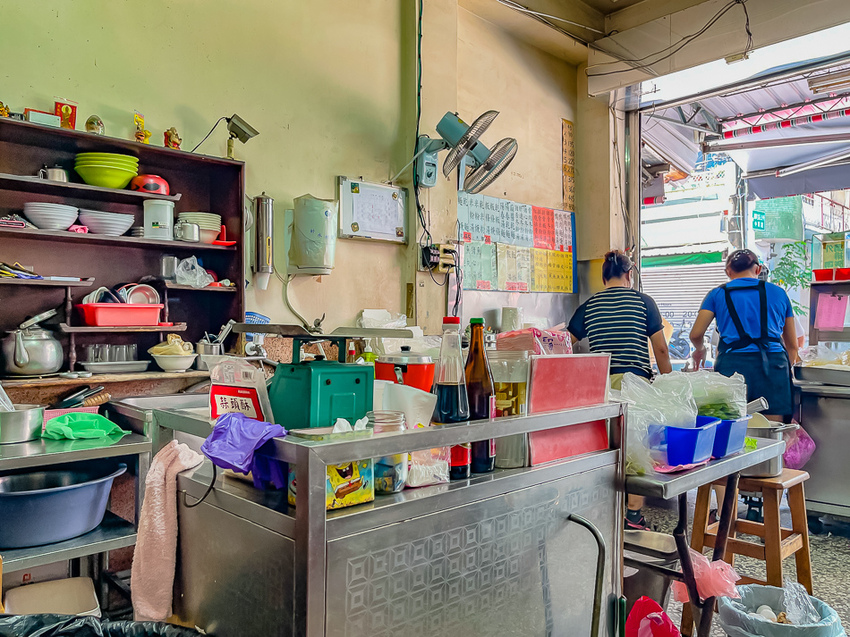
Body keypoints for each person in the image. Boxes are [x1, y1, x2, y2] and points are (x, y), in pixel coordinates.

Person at [568, 250, 672, 529]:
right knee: (636, 450)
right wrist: (669, 383)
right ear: (629, 275)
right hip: (635, 385)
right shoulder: (643, 302)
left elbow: (564, 342)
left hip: (601, 388)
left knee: (607, 449)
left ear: (604, 278)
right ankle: (633, 516)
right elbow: (661, 349)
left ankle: (604, 511)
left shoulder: (590, 306)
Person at [690, 249, 799, 419]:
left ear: (728, 271)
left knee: (732, 424)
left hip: (733, 367)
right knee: (773, 428)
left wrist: (700, 350)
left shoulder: (716, 294)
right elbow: (792, 346)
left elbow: (696, 334)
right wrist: (781, 370)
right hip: (773, 366)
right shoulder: (778, 293)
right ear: (758, 269)